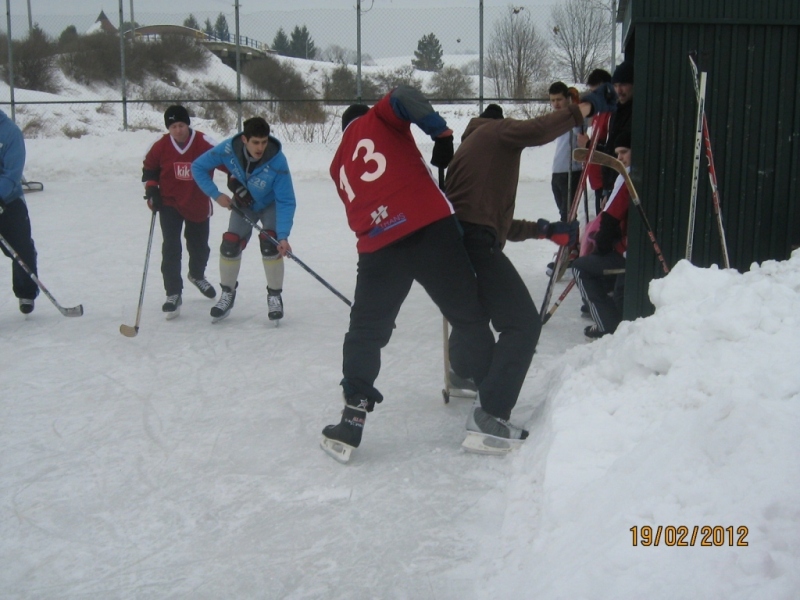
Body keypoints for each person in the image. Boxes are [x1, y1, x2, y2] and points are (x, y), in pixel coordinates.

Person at [320, 85, 502, 462]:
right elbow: (404, 95)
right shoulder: (377, 119)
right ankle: (491, 409)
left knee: (366, 332)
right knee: (469, 316)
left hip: (378, 248)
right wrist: (441, 133)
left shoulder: (337, 164)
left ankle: (352, 416)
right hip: (427, 227)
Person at [443, 83, 618, 436]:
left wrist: (543, 229)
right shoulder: (496, 130)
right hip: (475, 243)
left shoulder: (469, 150)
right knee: (523, 324)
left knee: (475, 315)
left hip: (459, 243)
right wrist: (584, 108)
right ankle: (488, 416)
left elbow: (495, 222)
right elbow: (538, 130)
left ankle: (461, 370)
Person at [191, 117, 296, 323]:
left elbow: (286, 200)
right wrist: (216, 194)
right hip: (244, 205)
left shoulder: (277, 161)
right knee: (230, 243)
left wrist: (283, 237)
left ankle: (274, 296)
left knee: (271, 243)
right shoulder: (228, 149)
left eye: (264, 142)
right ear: (245, 140)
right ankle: (227, 294)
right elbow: (198, 167)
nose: (260, 148)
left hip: (269, 205)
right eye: (255, 142)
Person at [142, 105, 219, 319]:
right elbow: (149, 168)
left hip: (197, 202)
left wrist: (236, 182)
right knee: (171, 248)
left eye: (181, 125)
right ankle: (173, 293)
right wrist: (151, 189)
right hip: (169, 203)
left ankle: (196, 274)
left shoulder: (205, 143)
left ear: (188, 124)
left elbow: (225, 161)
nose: (178, 130)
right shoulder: (161, 146)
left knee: (199, 247)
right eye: (173, 126)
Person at [572, 130, 631, 340]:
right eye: (618, 154)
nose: (620, 158)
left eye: (624, 152)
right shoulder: (627, 176)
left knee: (581, 268)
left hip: (627, 254)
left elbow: (610, 219)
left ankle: (605, 323)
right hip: (626, 249)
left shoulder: (628, 179)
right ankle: (610, 315)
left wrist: (600, 245)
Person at [0, 108, 39, 314]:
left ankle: (26, 291)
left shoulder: (9, 132)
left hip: (9, 201)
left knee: (20, 248)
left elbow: (12, 173)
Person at [548, 81, 584, 223]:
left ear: (567, 99)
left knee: (567, 215)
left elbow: (580, 130)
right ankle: (572, 241)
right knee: (564, 213)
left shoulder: (575, 115)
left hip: (572, 173)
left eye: (559, 99)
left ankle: (569, 243)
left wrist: (574, 108)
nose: (556, 104)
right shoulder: (558, 118)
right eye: (552, 100)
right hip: (557, 172)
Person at [578, 68, 613, 215]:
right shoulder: (599, 112)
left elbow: (611, 149)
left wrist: (588, 144)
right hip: (597, 179)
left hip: (606, 180)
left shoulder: (611, 113)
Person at [600, 60, 634, 202]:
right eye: (616, 85)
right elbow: (611, 146)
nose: (619, 90)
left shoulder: (635, 111)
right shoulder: (616, 110)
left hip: (624, 182)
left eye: (623, 85)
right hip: (610, 181)